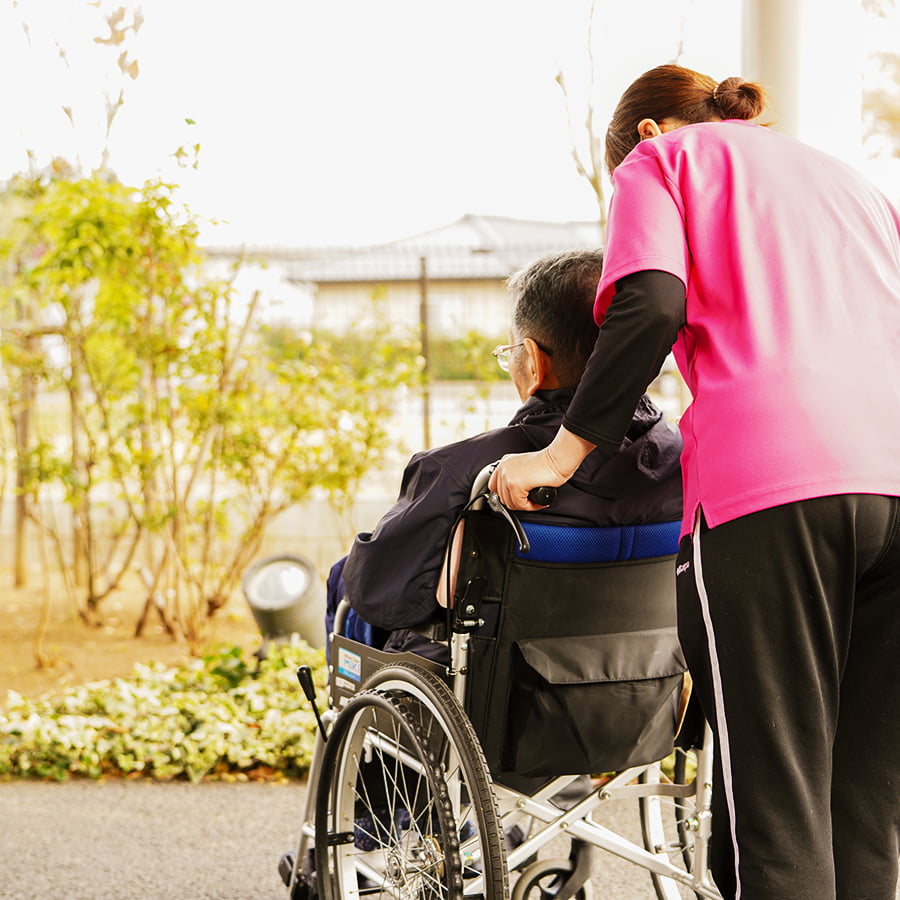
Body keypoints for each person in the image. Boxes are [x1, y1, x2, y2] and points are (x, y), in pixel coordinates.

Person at [489, 64, 900, 900]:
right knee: (869, 799)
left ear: (645, 134)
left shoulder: (661, 163)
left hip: (775, 486)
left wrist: (560, 455)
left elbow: (648, 302)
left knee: (774, 802)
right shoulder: (850, 182)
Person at [331, 248, 683, 660]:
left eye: (509, 352)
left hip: (495, 695)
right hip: (642, 684)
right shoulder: (682, 458)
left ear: (533, 363)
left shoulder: (463, 471)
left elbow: (382, 595)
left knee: (347, 581)